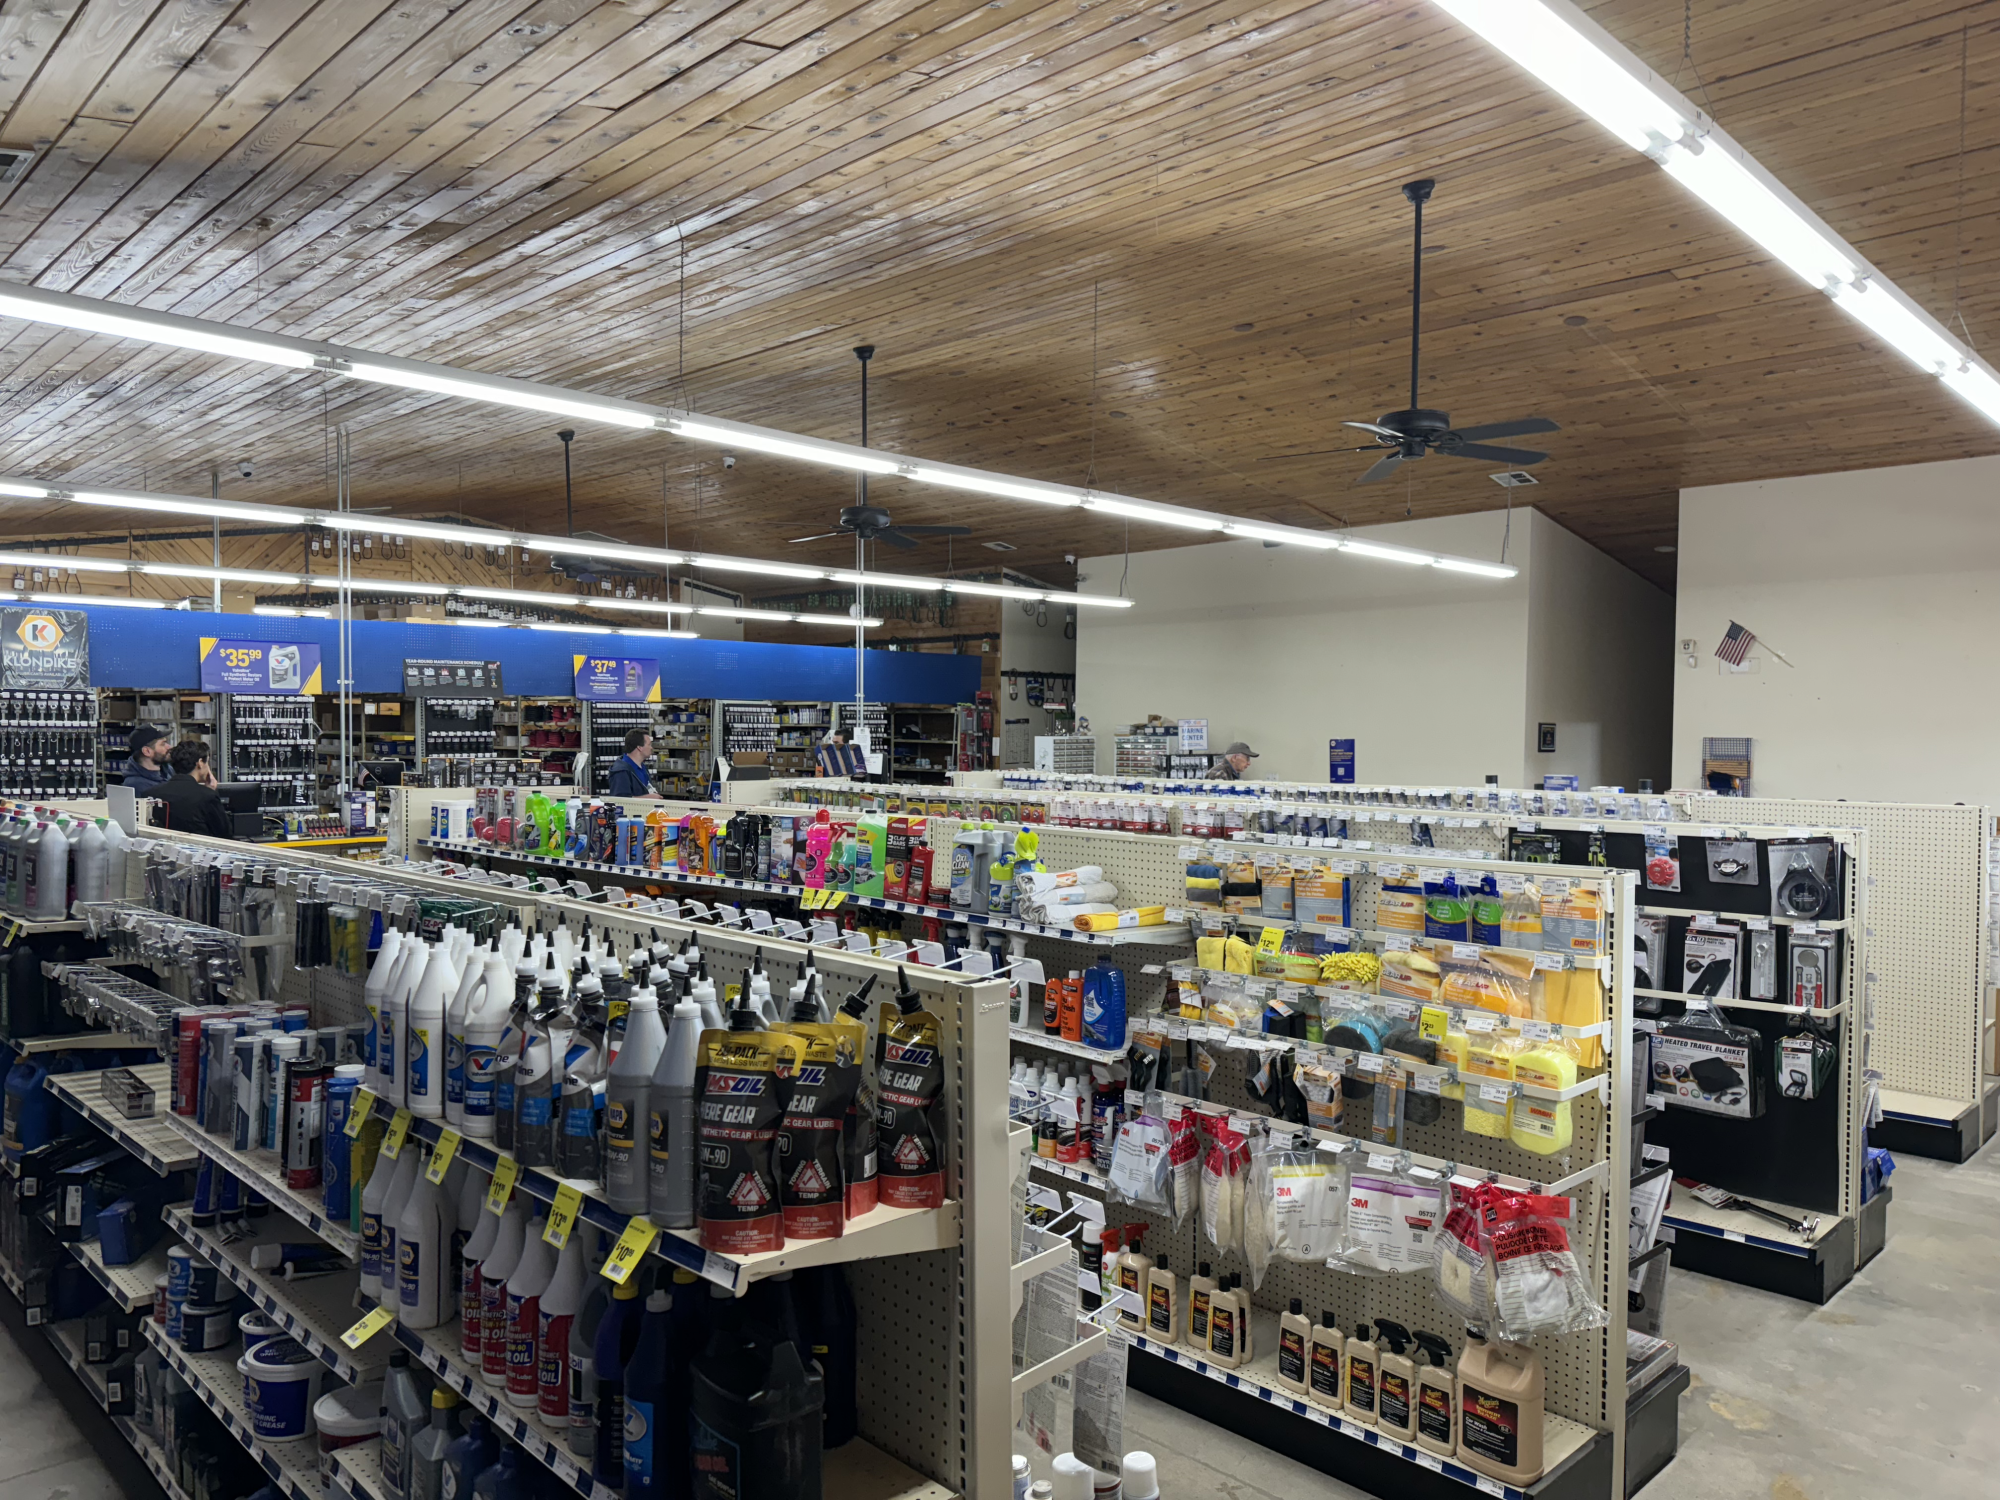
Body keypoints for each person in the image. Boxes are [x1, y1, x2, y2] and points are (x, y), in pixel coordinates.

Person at [150, 741, 233, 838]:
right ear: (201, 763)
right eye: (207, 762)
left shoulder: (151, 793)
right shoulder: (207, 797)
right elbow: (225, 834)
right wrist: (211, 791)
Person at [120, 723, 173, 791]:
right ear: (147, 751)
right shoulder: (136, 786)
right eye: (163, 744)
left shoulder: (167, 770)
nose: (169, 747)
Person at [606, 727, 654, 798]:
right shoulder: (621, 772)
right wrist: (648, 798)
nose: (651, 748)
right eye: (649, 744)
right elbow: (620, 800)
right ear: (639, 748)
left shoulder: (642, 767)